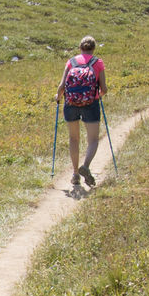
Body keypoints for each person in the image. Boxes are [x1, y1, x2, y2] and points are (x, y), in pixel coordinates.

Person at [55, 35, 107, 186]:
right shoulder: (97, 63)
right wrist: (98, 96)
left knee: (74, 138)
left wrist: (58, 97)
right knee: (93, 139)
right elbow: (104, 88)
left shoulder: (71, 62)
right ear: (93, 48)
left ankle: (75, 174)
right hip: (91, 103)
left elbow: (62, 86)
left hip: (70, 103)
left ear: (80, 48)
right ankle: (86, 166)